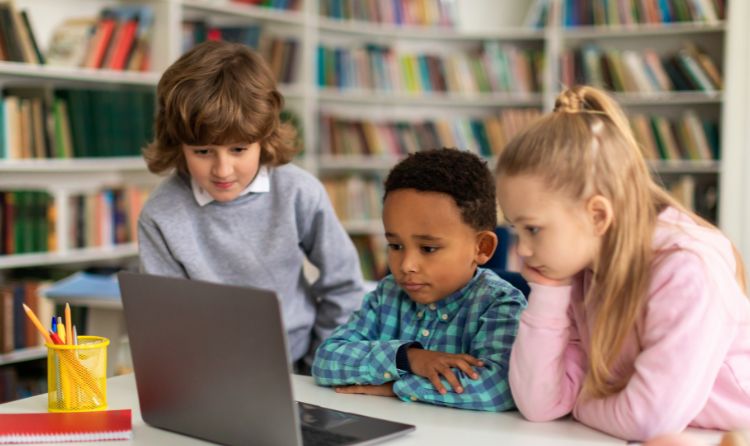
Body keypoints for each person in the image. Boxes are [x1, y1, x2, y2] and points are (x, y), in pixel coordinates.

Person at [496, 85, 750, 440]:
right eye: (515, 228)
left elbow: (650, 421)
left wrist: (582, 404)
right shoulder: (580, 267)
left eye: (533, 229)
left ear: (597, 215)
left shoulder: (686, 270)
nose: (521, 249)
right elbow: (540, 404)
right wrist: (549, 292)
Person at [137, 41, 364, 370]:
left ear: (265, 138)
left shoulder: (299, 192)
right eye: (203, 151)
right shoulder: (161, 214)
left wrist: (321, 363)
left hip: (300, 366)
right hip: (207, 373)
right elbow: (166, 320)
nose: (223, 170)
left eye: (239, 150)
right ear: (179, 145)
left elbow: (343, 286)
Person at [312, 148, 526, 412]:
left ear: (481, 247)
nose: (406, 265)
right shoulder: (388, 294)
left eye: (428, 249)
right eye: (395, 245)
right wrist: (408, 358)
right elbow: (326, 360)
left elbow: (497, 389)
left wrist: (396, 388)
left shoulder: (500, 303)